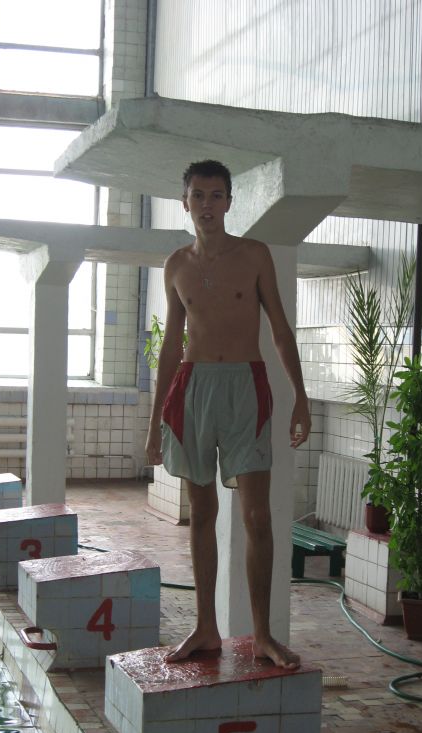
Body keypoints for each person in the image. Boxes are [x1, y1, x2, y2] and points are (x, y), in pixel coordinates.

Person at [145, 159, 311, 670]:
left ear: (229, 202)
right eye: (198, 195)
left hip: (245, 387)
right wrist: (154, 424)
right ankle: (206, 627)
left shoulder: (255, 255)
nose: (207, 205)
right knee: (201, 513)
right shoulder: (176, 265)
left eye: (216, 195)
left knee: (257, 515)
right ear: (185, 203)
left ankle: (262, 634)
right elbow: (170, 347)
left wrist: (300, 395)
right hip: (193, 387)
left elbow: (279, 329)